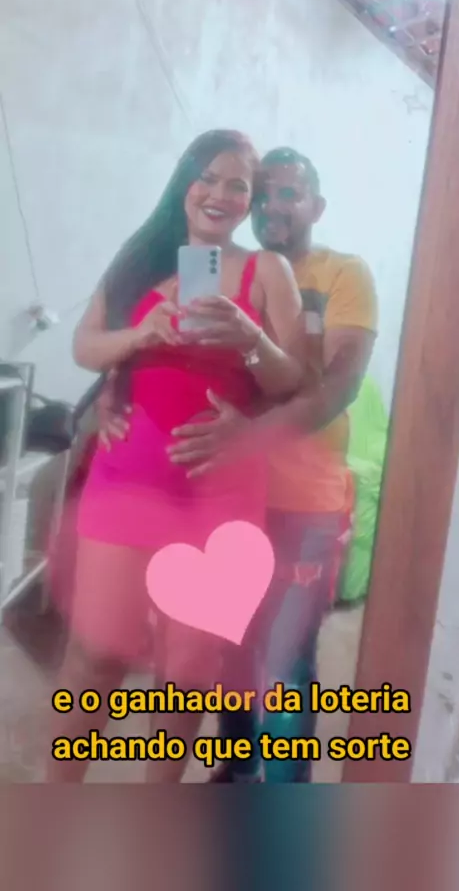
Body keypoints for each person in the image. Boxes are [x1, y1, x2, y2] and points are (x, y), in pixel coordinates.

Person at [96, 146, 378, 783]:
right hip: (218, 497)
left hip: (300, 501)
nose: (273, 206)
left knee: (284, 664)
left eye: (290, 193)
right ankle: (235, 773)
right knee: (224, 651)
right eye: (264, 192)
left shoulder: (343, 273)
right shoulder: (218, 266)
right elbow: (166, 349)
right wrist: (115, 387)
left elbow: (337, 387)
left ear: (317, 206)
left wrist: (247, 438)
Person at [47, 130, 306, 783]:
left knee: (186, 677)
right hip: (126, 485)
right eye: (207, 176)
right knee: (94, 657)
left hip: (221, 500)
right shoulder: (141, 258)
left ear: (250, 200)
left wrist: (249, 337)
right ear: (183, 182)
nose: (219, 193)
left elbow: (293, 381)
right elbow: (84, 346)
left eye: (237, 184)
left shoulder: (266, 271)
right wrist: (139, 336)